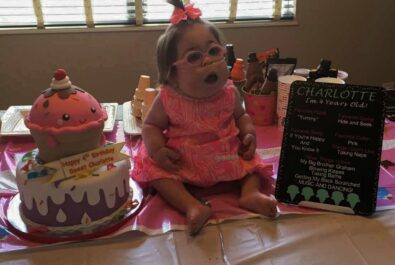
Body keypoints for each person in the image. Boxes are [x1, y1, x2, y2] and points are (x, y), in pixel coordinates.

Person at [132, 0, 277, 235]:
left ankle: (250, 194)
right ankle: (193, 206)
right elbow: (150, 126)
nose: (208, 60)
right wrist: (158, 150)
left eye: (213, 51)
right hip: (184, 161)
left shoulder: (229, 91)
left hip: (227, 154)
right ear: (172, 72)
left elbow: (242, 116)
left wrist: (249, 133)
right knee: (152, 169)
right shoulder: (169, 97)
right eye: (194, 57)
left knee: (252, 164)